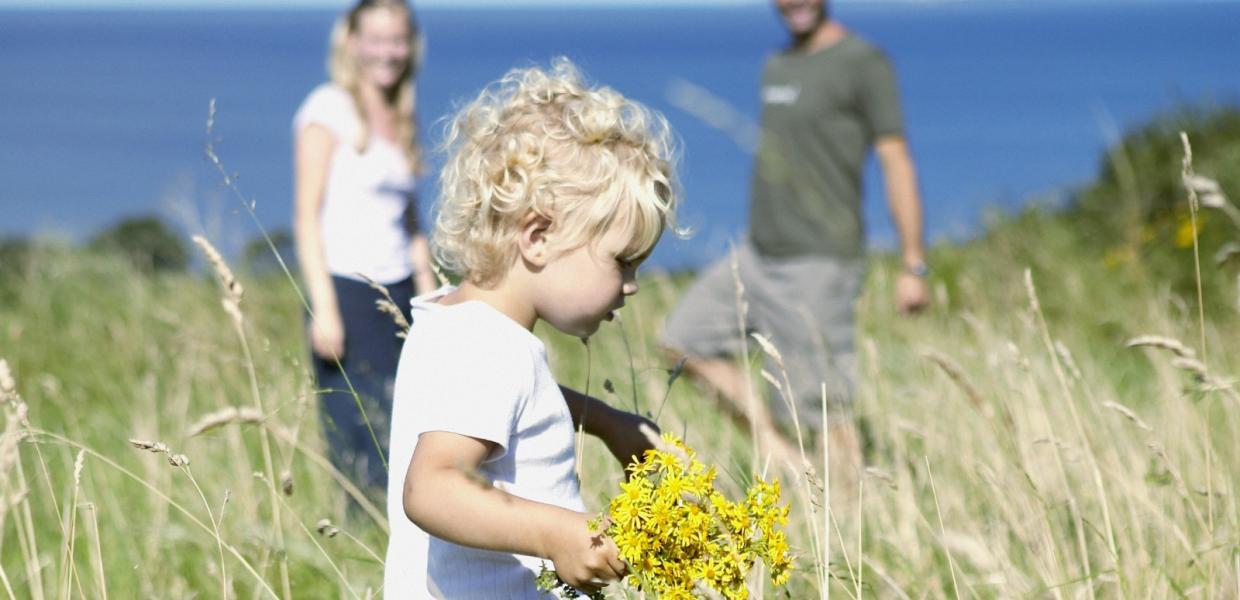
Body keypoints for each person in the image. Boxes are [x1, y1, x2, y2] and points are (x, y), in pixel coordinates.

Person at [384, 59, 680, 598]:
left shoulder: (454, 324)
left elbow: (508, 404)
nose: (632, 285)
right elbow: (429, 489)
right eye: (622, 261)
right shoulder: (489, 348)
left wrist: (605, 420)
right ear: (538, 236)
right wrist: (559, 533)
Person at [662, 0, 929, 482]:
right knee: (682, 340)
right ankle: (785, 457)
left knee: (822, 405)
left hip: (820, 260)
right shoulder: (777, 64)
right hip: (757, 252)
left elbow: (896, 159)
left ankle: (849, 525)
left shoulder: (864, 62)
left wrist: (914, 265)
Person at [292, 0, 436, 497]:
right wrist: (324, 311)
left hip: (401, 292)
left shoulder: (402, 111)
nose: (388, 53)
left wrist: (432, 295)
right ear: (352, 43)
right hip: (346, 292)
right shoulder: (326, 109)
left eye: (397, 40)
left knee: (409, 431)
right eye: (376, 40)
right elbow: (307, 218)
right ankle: (365, 540)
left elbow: (411, 221)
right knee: (360, 439)